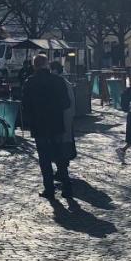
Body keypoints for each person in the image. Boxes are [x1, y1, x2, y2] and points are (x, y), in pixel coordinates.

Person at [21, 53, 71, 197]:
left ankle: (49, 189)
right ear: (47, 64)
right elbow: (66, 103)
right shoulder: (58, 80)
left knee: (44, 158)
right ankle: (67, 187)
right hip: (56, 122)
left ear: (34, 66)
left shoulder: (30, 82)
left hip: (39, 124)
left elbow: (25, 105)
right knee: (60, 155)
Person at [50, 60, 77, 188]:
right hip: (66, 119)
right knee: (64, 144)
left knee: (62, 145)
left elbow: (69, 103)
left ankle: (62, 171)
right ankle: (62, 170)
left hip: (62, 119)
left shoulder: (62, 83)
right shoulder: (64, 83)